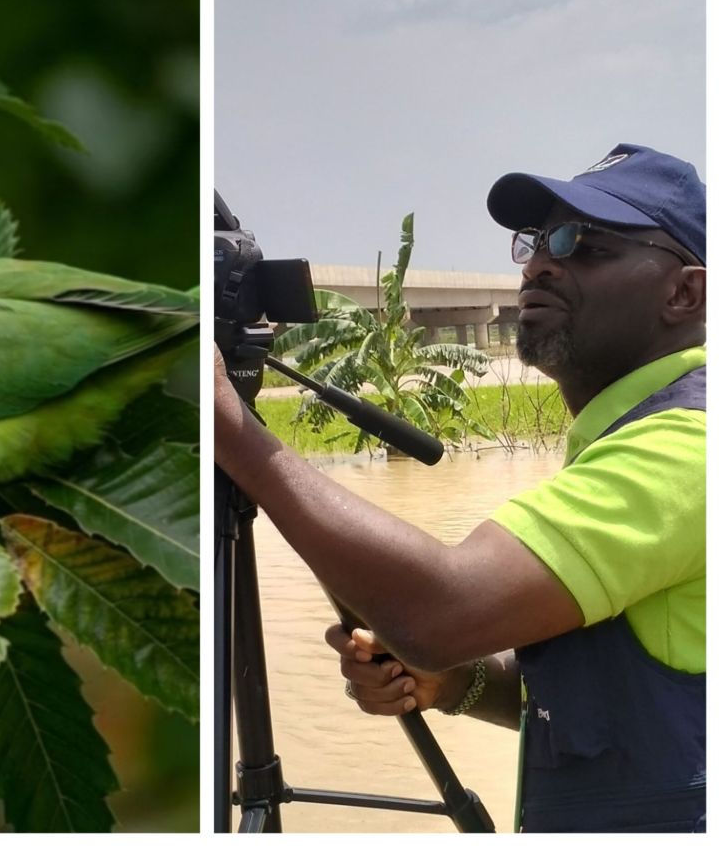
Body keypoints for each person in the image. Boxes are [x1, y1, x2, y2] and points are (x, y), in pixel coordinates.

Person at [213, 143, 705, 833]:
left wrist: (229, 429)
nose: (540, 263)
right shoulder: (629, 439)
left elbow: (442, 612)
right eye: (535, 242)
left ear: (684, 292)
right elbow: (615, 711)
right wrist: (452, 682)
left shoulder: (686, 449)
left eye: (584, 244)